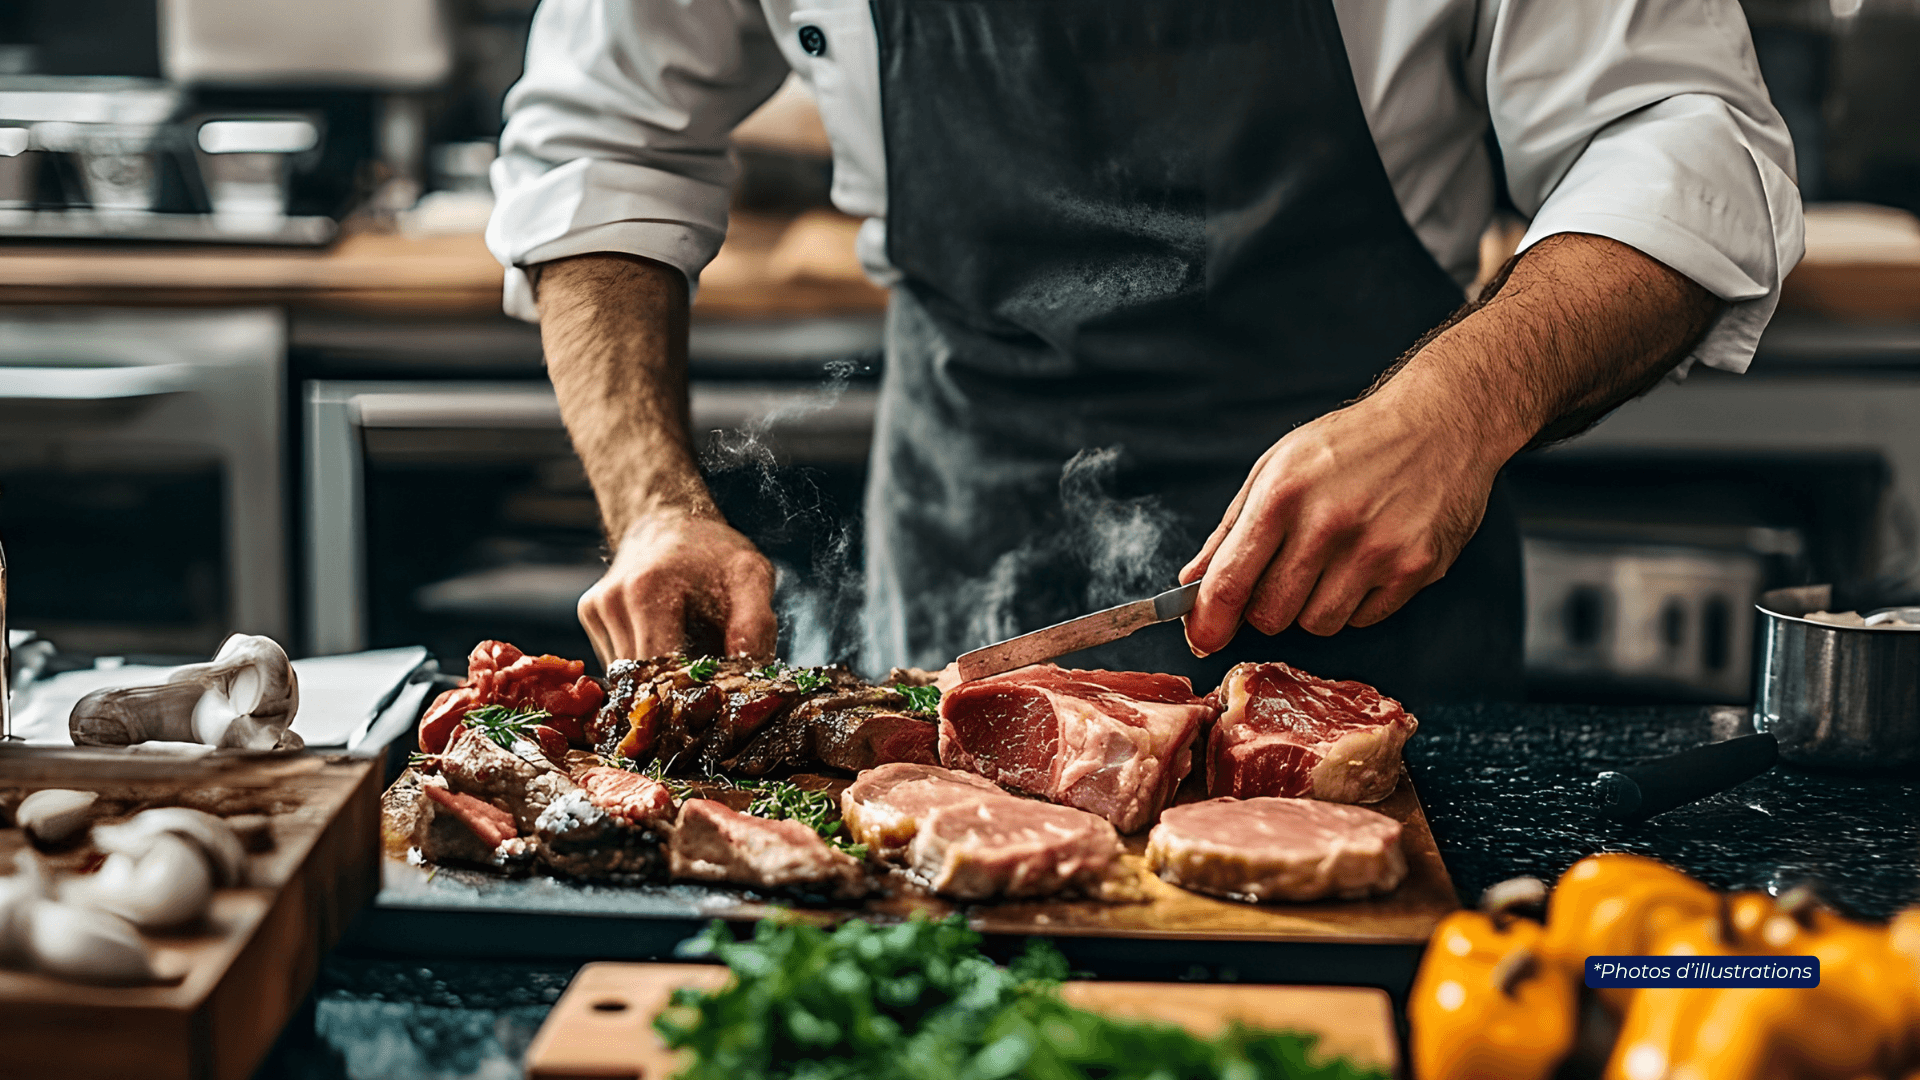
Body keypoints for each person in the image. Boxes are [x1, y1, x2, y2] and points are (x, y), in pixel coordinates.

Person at [487, 0, 1802, 703]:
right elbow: (604, 142)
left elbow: (1679, 137)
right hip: (963, 531)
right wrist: (651, 503)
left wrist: (1466, 404)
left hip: (1380, 573)